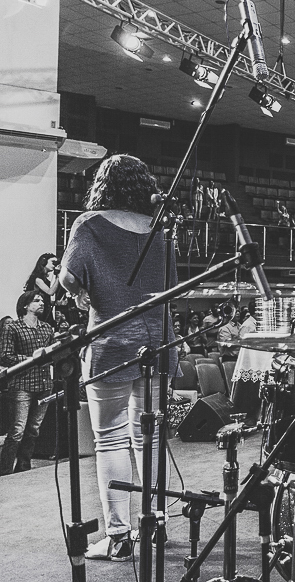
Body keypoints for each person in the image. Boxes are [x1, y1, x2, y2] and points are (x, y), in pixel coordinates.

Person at [59, 154, 177, 562]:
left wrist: (82, 288)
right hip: (160, 339)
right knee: (152, 437)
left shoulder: (88, 224)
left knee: (110, 437)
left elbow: (69, 278)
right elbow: (171, 285)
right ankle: (156, 523)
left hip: (111, 341)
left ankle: (119, 537)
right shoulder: (161, 226)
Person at [0, 291, 55, 475]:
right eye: (37, 300)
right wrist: (32, 359)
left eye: (43, 301)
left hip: (44, 384)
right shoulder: (13, 328)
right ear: (25, 305)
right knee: (17, 430)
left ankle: (24, 468)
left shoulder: (47, 328)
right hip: (21, 385)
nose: (42, 303)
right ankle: (4, 471)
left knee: (33, 430)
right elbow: (5, 356)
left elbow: (53, 354)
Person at [24, 252, 65, 326]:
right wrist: (59, 277)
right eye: (53, 262)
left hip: (45, 309)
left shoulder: (44, 279)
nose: (54, 264)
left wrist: (55, 303)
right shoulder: (37, 279)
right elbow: (50, 292)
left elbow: (45, 297)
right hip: (38, 311)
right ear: (43, 262)